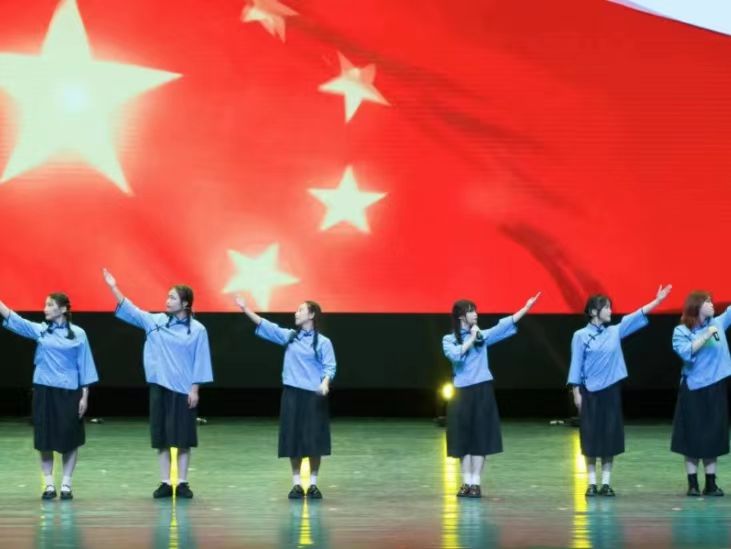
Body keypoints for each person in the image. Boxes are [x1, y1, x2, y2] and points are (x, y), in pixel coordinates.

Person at [102, 269, 213, 499]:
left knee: (183, 439)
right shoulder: (155, 321)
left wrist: (195, 389)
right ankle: (165, 482)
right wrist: (113, 287)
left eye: (172, 298)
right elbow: (130, 309)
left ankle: (182, 482)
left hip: (183, 389)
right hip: (159, 387)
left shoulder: (198, 330)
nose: (167, 301)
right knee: (161, 438)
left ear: (185, 303)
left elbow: (201, 360)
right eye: (168, 297)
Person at [568, 285, 672, 497]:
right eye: (606, 307)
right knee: (590, 437)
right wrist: (576, 393)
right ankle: (591, 483)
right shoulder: (580, 335)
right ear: (594, 311)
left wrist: (657, 301)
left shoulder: (614, 331)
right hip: (589, 392)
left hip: (610, 392)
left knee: (609, 436)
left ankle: (606, 483)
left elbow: (636, 316)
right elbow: (575, 364)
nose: (610, 311)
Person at [442, 292, 541, 498]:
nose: (476, 314)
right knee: (463, 437)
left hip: (482, 390)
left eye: (475, 311)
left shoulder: (482, 336)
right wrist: (472, 338)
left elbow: (502, 326)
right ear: (461, 316)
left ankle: (476, 483)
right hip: (461, 392)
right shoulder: (449, 339)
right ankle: (465, 482)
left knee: (480, 436)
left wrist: (525, 309)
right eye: (471, 311)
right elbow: (456, 355)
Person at [0, 293, 98, 500]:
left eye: (50, 305)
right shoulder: (42, 330)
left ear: (62, 309)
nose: (45, 308)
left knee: (70, 439)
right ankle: (49, 484)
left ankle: (66, 484)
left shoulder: (79, 334)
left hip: (69, 391)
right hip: (44, 390)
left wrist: (85, 395)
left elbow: (85, 364)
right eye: (45, 304)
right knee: (44, 439)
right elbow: (14, 318)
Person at [236, 296, 336, 499]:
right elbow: (266, 326)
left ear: (311, 315)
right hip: (292, 394)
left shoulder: (323, 342)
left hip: (313, 396)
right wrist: (246, 309)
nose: (296, 313)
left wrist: (325, 383)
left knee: (314, 440)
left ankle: (313, 484)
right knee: (293, 438)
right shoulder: (290, 336)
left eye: (300, 310)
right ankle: (297, 483)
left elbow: (329, 367)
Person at [671, 291, 731, 497]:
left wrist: (711, 330)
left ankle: (711, 483)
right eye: (707, 302)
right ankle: (693, 483)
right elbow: (686, 351)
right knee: (692, 436)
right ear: (697, 306)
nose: (712, 305)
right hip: (693, 389)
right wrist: (705, 335)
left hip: (715, 388)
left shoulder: (719, 322)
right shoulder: (681, 331)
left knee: (713, 435)